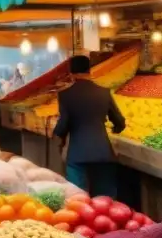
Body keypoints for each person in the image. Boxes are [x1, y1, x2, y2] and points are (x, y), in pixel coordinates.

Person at [53, 54, 126, 198]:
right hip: (103, 153)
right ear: (90, 70)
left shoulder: (66, 94)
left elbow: (64, 123)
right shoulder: (104, 92)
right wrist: (115, 129)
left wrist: (58, 136)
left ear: (71, 72)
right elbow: (120, 121)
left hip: (77, 154)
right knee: (106, 200)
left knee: (77, 198)